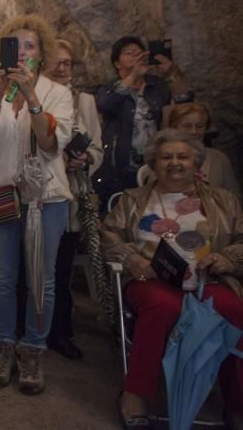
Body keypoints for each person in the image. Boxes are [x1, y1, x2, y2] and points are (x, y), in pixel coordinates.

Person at [0, 14, 74, 395]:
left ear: (41, 54)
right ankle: (3, 347)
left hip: (46, 198)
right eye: (15, 46)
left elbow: (50, 144)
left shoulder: (57, 93)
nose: (22, 53)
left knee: (41, 279)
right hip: (0, 192)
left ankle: (34, 350)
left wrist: (31, 97)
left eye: (29, 46)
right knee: (2, 279)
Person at [103, 129, 243, 429]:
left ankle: (237, 403)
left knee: (233, 309)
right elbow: (109, 235)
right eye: (166, 157)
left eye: (183, 156)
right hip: (151, 279)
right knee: (163, 307)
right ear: (154, 163)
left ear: (197, 164)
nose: (174, 163)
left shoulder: (224, 201)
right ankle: (135, 394)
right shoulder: (133, 199)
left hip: (209, 279)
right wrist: (132, 259)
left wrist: (227, 258)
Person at [45, 40, 103, 359]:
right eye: (56, 61)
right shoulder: (34, 99)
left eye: (68, 63)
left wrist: (85, 160)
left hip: (69, 199)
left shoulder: (85, 102)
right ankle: (32, 329)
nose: (62, 68)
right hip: (39, 195)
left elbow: (97, 147)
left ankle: (60, 331)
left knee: (61, 266)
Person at [94, 35, 191, 206]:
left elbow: (184, 104)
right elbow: (105, 105)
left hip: (156, 163)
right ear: (117, 63)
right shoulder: (109, 89)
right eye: (129, 53)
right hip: (121, 165)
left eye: (140, 53)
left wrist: (172, 73)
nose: (136, 57)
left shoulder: (158, 85)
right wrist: (133, 76)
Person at [168, 102, 240, 196]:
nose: (194, 131)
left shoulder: (219, 158)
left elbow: (235, 198)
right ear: (174, 128)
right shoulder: (163, 159)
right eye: (187, 126)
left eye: (199, 126)